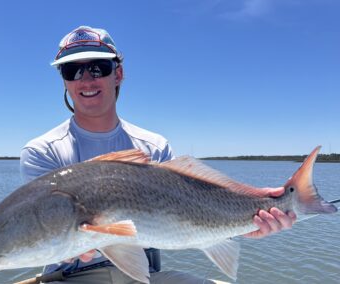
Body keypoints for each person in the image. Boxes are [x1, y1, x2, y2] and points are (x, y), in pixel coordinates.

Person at [20, 26, 296, 284]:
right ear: (64, 81)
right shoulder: (42, 151)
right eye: (72, 71)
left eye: (98, 67)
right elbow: (48, 230)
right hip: (72, 277)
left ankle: (297, 198)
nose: (87, 79)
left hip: (146, 276)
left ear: (118, 74)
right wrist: (63, 243)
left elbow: (191, 214)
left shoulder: (153, 145)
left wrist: (248, 221)